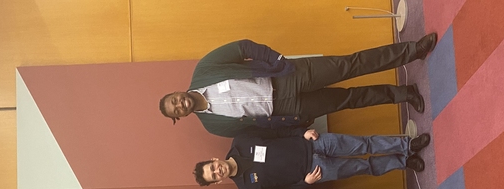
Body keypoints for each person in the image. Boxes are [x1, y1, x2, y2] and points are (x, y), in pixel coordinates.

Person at [159, 36, 438, 137]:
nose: (180, 104)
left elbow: (243, 46)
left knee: (350, 65)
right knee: (348, 100)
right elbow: (257, 132)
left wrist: (277, 59)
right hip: (287, 108)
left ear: (177, 92)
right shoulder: (213, 127)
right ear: (179, 118)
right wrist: (292, 125)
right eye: (176, 110)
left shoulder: (204, 70)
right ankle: (404, 94)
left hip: (286, 76)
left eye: (175, 99)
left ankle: (412, 50)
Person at [194, 129, 429, 189]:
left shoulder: (241, 140)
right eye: (214, 176)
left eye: (212, 167)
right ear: (217, 182)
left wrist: (301, 132)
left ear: (215, 160)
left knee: (364, 144)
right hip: (315, 171)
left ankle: (407, 145)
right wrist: (305, 183)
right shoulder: (247, 187)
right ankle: (404, 162)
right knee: (364, 167)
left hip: (313, 144)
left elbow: (274, 130)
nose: (218, 171)